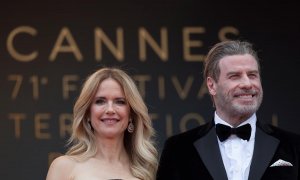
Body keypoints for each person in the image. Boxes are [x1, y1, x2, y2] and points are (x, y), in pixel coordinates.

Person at [156, 40, 300, 180]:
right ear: (212, 85)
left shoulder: (293, 145)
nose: (247, 83)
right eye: (235, 76)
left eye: (252, 75)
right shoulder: (178, 149)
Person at [46, 67, 158, 180]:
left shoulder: (145, 170)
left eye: (120, 102)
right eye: (100, 101)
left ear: (131, 114)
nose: (110, 110)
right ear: (88, 113)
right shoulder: (64, 167)